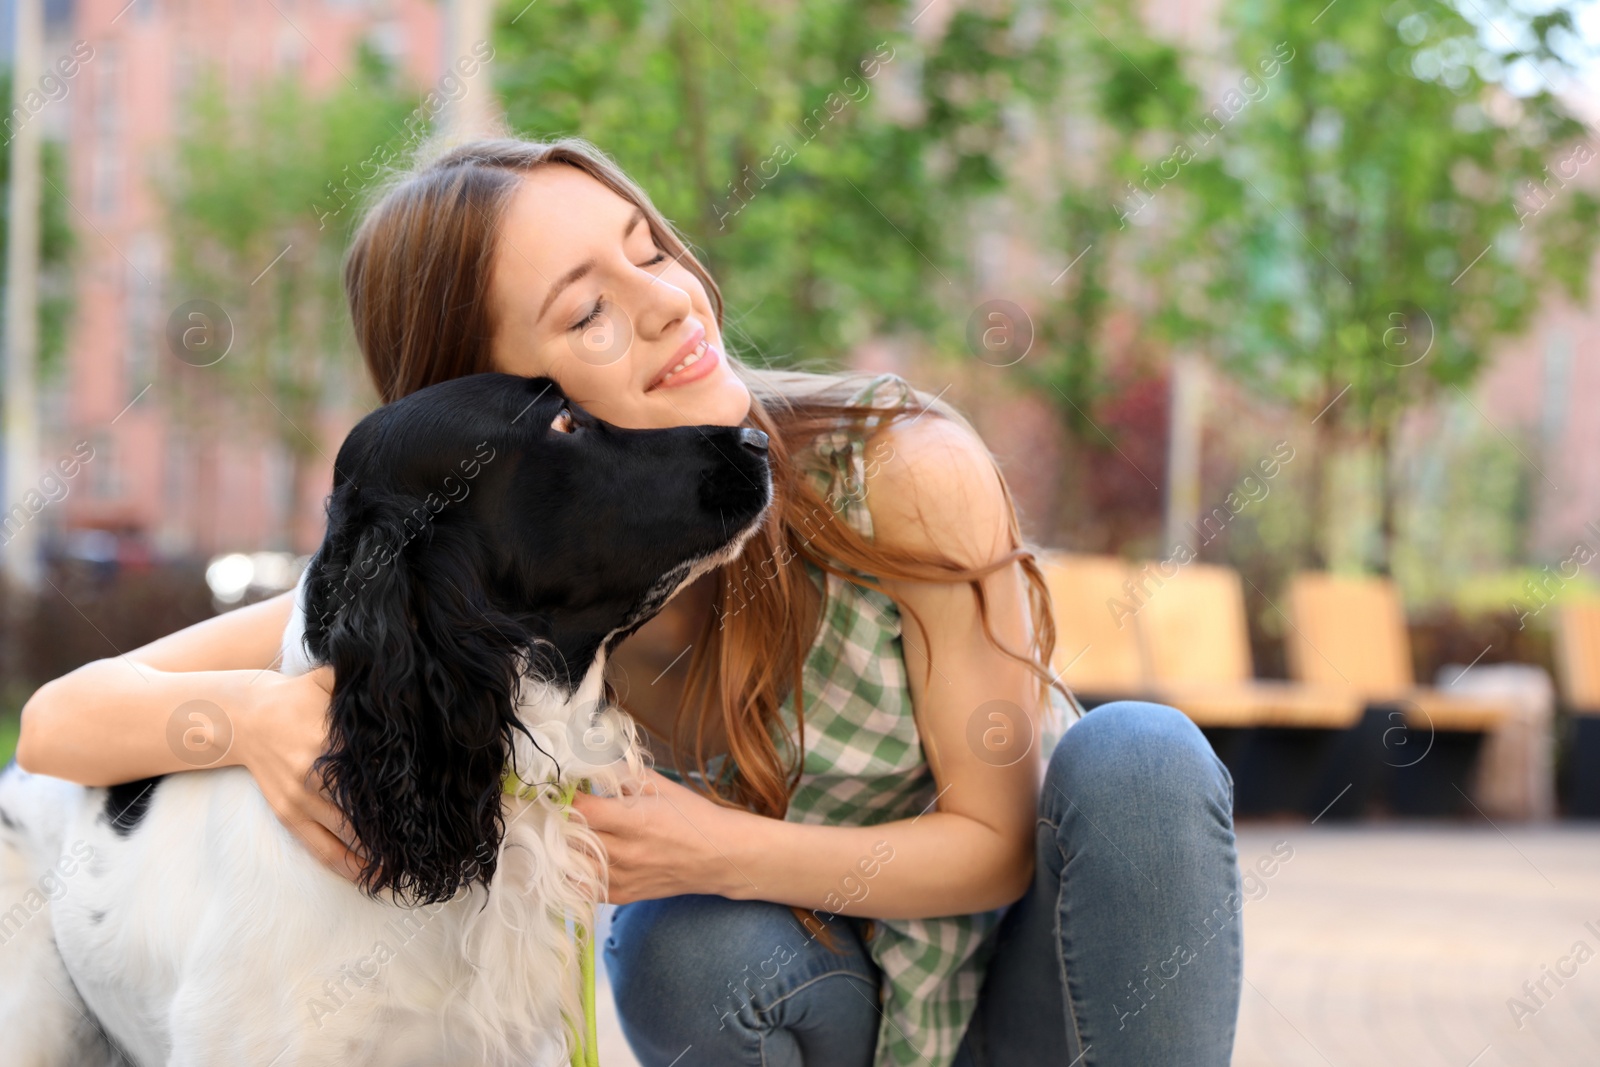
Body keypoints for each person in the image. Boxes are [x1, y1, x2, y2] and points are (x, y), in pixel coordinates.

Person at [17, 135, 1242, 1066]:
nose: (664, 299)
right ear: (493, 410)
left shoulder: (901, 473)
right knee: (683, 940)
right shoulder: (473, 601)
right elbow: (61, 723)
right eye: (586, 310)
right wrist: (250, 720)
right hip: (815, 1004)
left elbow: (995, 841)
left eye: (647, 246)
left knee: (1137, 753)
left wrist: (722, 847)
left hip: (1035, 996)